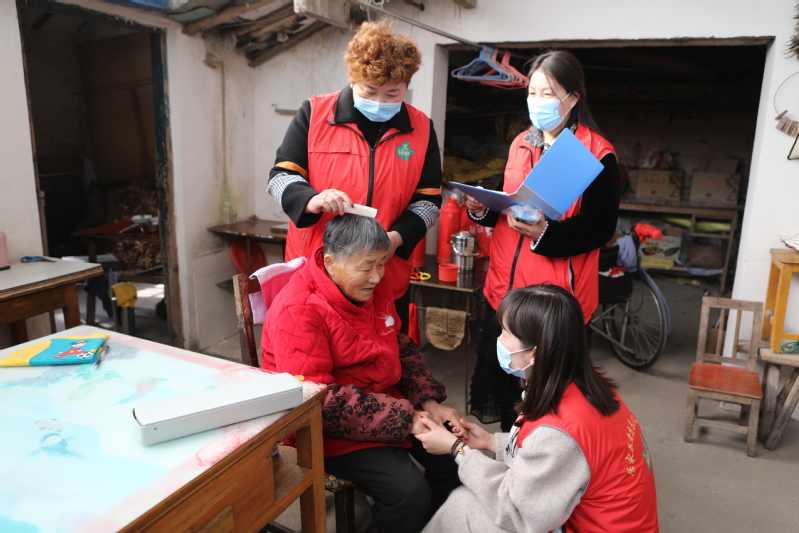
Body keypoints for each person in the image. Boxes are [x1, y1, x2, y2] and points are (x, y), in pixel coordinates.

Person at [261, 215, 461, 533]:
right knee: (408, 493)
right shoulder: (299, 309)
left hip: (383, 404)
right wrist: (405, 419)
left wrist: (429, 402)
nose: (377, 276)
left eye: (381, 264)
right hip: (326, 427)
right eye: (367, 266)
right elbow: (315, 399)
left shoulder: (371, 289)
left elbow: (399, 345)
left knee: (455, 453)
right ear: (330, 263)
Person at [416, 285, 659, 533]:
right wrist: (490, 442)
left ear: (535, 353)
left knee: (462, 504)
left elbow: (518, 513)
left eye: (506, 333)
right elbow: (559, 457)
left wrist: (457, 450)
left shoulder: (557, 431)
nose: (499, 340)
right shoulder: (588, 387)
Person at [466, 50, 621, 430]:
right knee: (507, 395)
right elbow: (511, 205)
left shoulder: (595, 152)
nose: (538, 102)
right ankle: (510, 454)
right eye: (532, 93)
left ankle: (539, 458)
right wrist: (483, 208)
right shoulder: (521, 142)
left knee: (546, 403)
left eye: (548, 94)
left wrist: (547, 234)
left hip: (552, 305)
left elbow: (599, 227)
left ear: (573, 97)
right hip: (505, 291)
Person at [266, 20, 442, 334]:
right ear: (353, 79)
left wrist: (395, 239)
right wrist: (311, 199)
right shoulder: (314, 114)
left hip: (383, 275)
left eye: (393, 93)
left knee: (384, 356)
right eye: (369, 91)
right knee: (312, 355)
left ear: (406, 84)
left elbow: (428, 202)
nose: (380, 102)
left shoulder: (422, 129)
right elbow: (280, 177)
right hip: (316, 273)